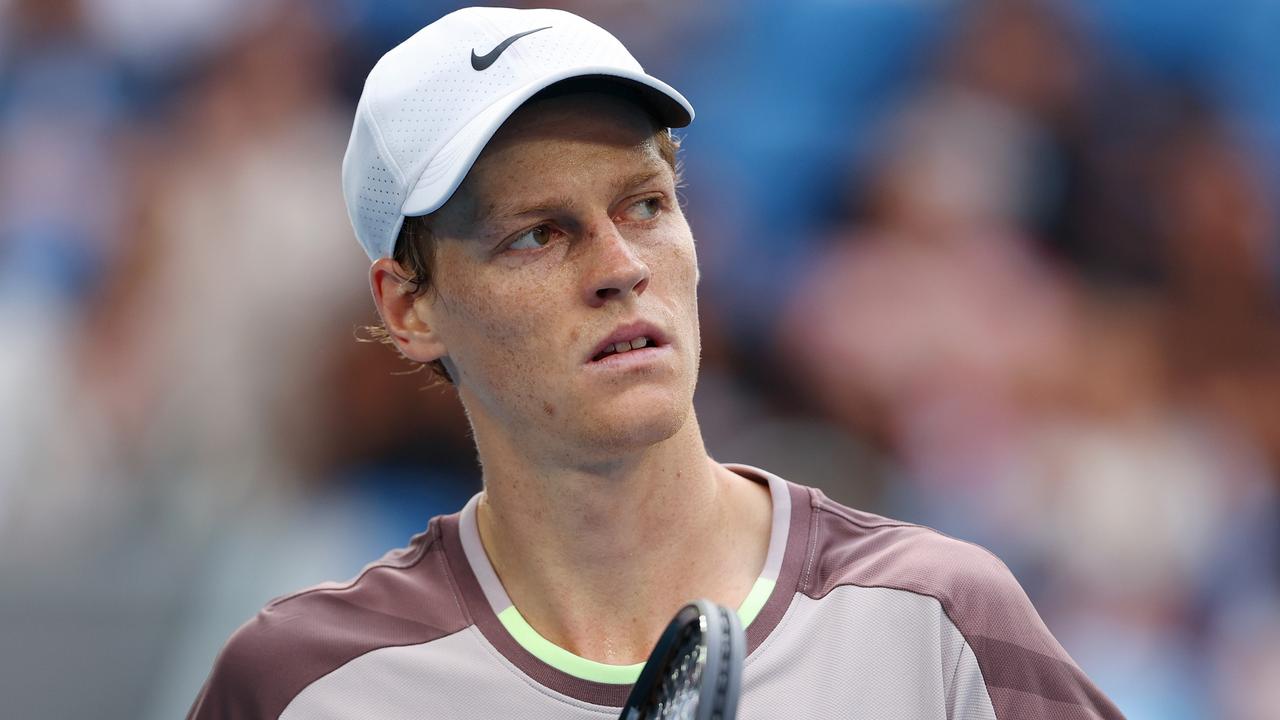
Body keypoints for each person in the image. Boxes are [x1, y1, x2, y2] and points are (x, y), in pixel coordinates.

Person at [188, 7, 1124, 719]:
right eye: (537, 235)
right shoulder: (302, 686)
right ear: (409, 306)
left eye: (644, 205)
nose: (622, 268)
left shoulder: (937, 621)